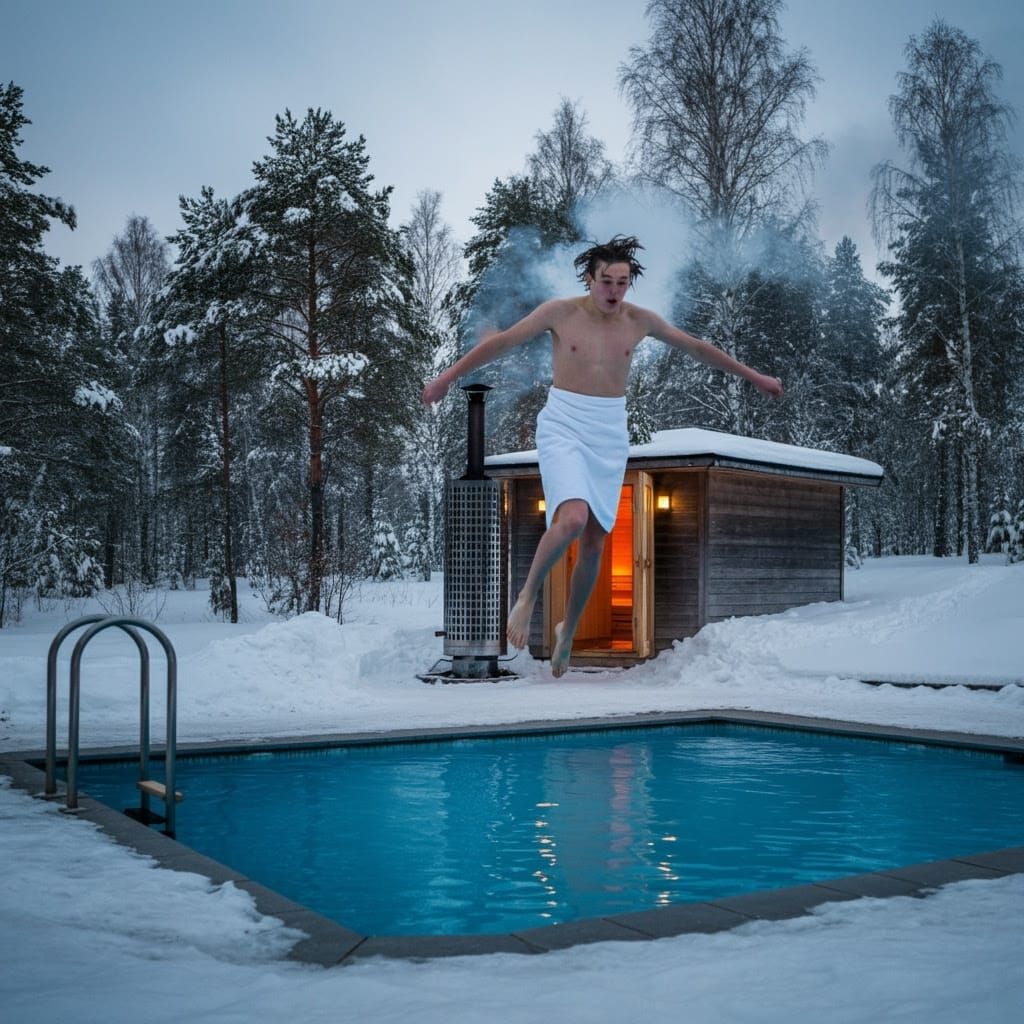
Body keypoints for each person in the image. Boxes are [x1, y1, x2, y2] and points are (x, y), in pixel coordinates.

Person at [421, 236, 783, 677]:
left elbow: (697, 348)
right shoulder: (560, 313)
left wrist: (755, 377)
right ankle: (528, 596)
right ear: (589, 279)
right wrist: (445, 377)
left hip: (609, 433)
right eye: (606, 281)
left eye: (623, 282)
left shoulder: (640, 321)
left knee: (594, 541)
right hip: (564, 424)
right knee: (571, 519)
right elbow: (502, 342)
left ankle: (567, 631)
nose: (614, 291)